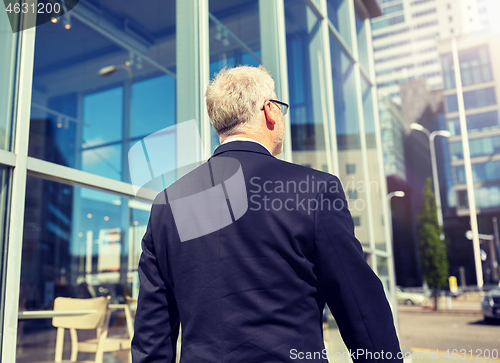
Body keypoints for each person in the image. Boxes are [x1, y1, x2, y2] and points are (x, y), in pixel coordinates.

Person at [131, 65, 402, 362]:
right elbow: (360, 307)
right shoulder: (314, 189)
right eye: (280, 108)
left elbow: (152, 334)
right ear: (270, 111)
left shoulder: (167, 205)